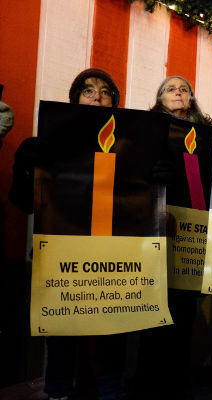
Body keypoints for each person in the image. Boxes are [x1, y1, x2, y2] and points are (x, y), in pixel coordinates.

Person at [9, 68, 125, 400]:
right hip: (63, 257)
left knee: (112, 340)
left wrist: (159, 176)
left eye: (105, 92)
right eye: (88, 90)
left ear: (115, 104)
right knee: (61, 337)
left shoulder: (130, 146)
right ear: (74, 99)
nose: (98, 96)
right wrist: (24, 165)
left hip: (115, 260)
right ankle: (58, 393)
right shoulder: (47, 143)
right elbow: (22, 203)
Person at [135, 75, 212, 400]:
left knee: (185, 312)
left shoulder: (206, 135)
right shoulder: (145, 130)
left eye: (184, 88)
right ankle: (149, 383)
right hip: (154, 231)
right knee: (151, 310)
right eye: (169, 88)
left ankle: (178, 383)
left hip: (193, 236)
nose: (177, 92)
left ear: (191, 98)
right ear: (159, 98)